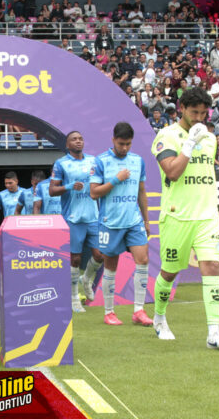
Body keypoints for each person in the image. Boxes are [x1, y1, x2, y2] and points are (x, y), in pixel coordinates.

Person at [150, 87, 219, 350]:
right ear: (182, 108)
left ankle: (213, 333)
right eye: (194, 112)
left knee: (212, 266)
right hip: (177, 216)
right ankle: (159, 317)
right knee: (170, 272)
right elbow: (172, 173)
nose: (199, 118)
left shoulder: (210, 139)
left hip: (207, 215)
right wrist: (188, 144)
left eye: (203, 113)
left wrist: (198, 138)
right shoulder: (166, 136)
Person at [89, 122, 152, 326]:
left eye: (128, 144)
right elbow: (93, 193)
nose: (124, 148)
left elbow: (141, 191)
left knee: (143, 260)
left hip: (134, 221)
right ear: (113, 140)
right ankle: (109, 312)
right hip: (111, 222)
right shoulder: (101, 161)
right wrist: (116, 179)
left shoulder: (137, 161)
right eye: (121, 143)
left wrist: (146, 220)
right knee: (111, 266)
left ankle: (139, 311)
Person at [49, 131, 104, 313]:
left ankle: (86, 279)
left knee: (100, 255)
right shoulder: (61, 163)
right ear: (67, 145)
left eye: (80, 138)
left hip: (93, 216)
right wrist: (69, 186)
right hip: (73, 217)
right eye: (74, 139)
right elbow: (52, 190)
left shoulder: (93, 161)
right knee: (75, 259)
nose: (78, 141)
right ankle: (73, 298)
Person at [0, 171, 25, 237]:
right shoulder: (1, 195)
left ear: (16, 181)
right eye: (6, 183)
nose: (8, 185)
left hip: (24, 226)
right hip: (8, 228)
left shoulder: (25, 192)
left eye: (10, 183)